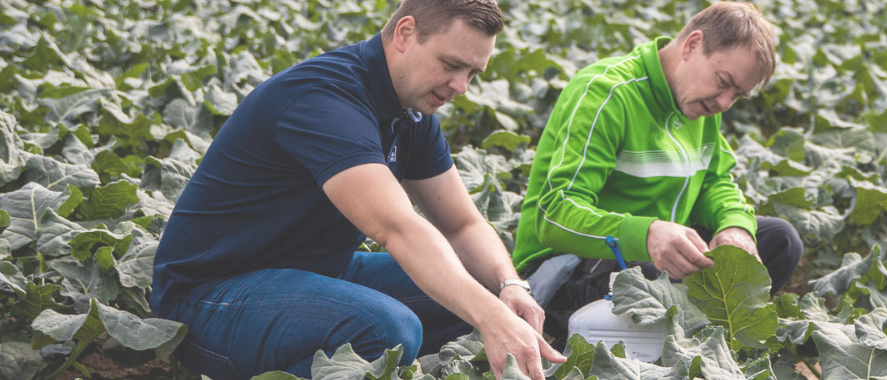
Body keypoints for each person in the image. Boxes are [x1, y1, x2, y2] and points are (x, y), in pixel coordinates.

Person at [149, 0, 563, 378]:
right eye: (451, 64)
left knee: (485, 283)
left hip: (316, 271)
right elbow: (395, 226)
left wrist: (510, 288)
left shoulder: (413, 113)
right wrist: (488, 317)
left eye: (472, 72)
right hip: (209, 297)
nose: (461, 86)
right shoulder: (324, 98)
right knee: (386, 328)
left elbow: (462, 225)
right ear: (405, 34)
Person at [512, 2, 803, 347]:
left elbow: (715, 181)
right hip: (567, 270)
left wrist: (734, 226)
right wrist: (646, 234)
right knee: (657, 277)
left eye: (737, 95)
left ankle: (701, 347)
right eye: (723, 82)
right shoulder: (606, 93)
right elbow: (555, 216)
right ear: (692, 45)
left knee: (780, 240)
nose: (725, 103)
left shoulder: (703, 104)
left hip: (653, 258)